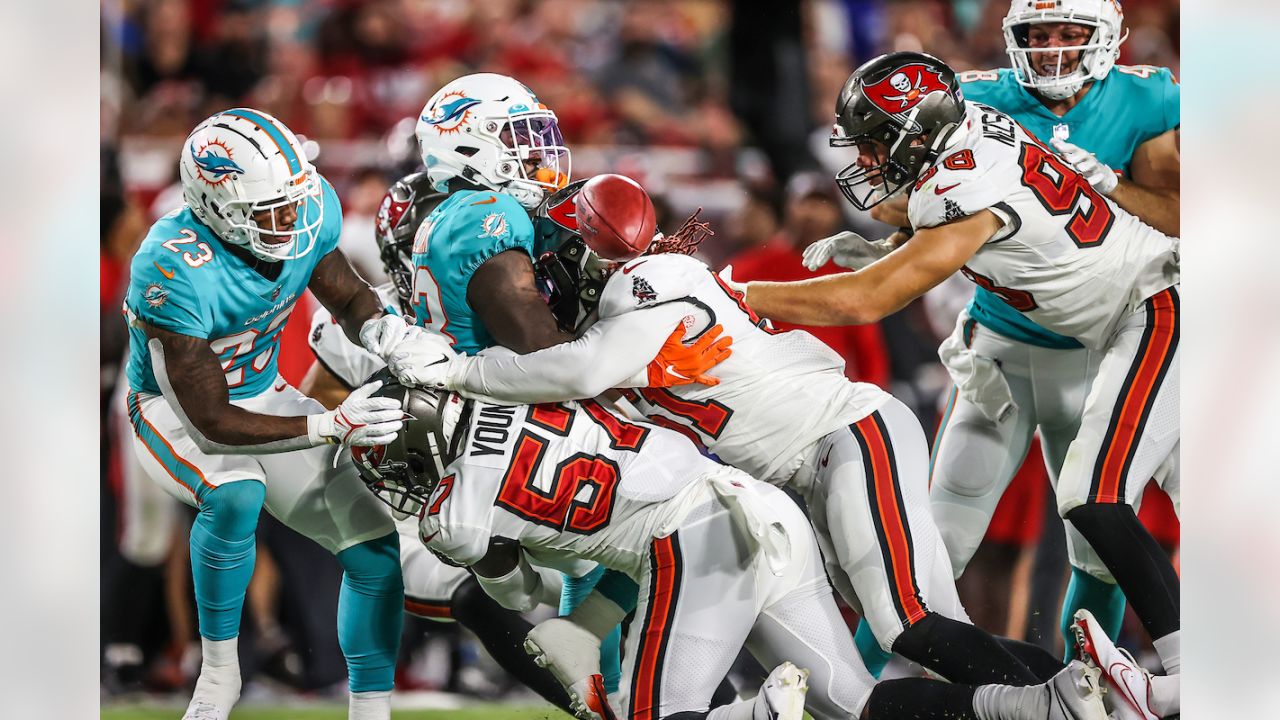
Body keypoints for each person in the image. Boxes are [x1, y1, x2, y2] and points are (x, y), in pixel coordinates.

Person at [393, 173, 1072, 695]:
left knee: (909, 626)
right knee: (922, 639)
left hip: (845, 434)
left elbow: (580, 368)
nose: (543, 285)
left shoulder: (650, 281)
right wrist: (588, 622)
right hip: (811, 467)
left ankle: (1082, 699)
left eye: (552, 263)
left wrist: (460, 370)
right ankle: (1074, 691)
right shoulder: (620, 320)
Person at [730, 52, 1180, 719]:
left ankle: (1188, 671)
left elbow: (868, 300)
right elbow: (970, 227)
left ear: (920, 132)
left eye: (880, 138)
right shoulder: (977, 131)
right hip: (1115, 322)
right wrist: (892, 247)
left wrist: (736, 293)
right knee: (1097, 497)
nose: (871, 157)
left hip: (1154, 305)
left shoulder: (963, 185)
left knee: (1098, 494)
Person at [356, 379, 1110, 720]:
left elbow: (515, 596)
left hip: (690, 541)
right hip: (755, 505)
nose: (396, 482)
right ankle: (1043, 704)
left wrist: (484, 559)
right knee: (855, 705)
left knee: (658, 717)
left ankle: (753, 719)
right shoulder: (515, 390)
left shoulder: (452, 506)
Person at [401, 71, 730, 703]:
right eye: (518, 137)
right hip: (515, 422)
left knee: (617, 557)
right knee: (700, 508)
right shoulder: (484, 214)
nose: (539, 151)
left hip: (501, 423)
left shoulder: (486, 212)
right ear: (469, 149)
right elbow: (544, 350)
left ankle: (633, 687)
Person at [122, 108, 430, 720]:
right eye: (269, 210)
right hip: (174, 412)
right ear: (215, 206)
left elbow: (344, 292)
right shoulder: (169, 266)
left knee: (373, 547)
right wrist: (327, 424)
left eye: (291, 200)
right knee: (237, 492)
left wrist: (388, 336)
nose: (291, 217)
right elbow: (211, 420)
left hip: (264, 391)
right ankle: (217, 675)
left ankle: (371, 709)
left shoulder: (307, 204)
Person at [299, 169, 583, 715]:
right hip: (416, 515)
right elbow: (322, 432)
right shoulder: (369, 323)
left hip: (522, 482)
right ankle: (597, 703)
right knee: (477, 588)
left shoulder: (510, 302)